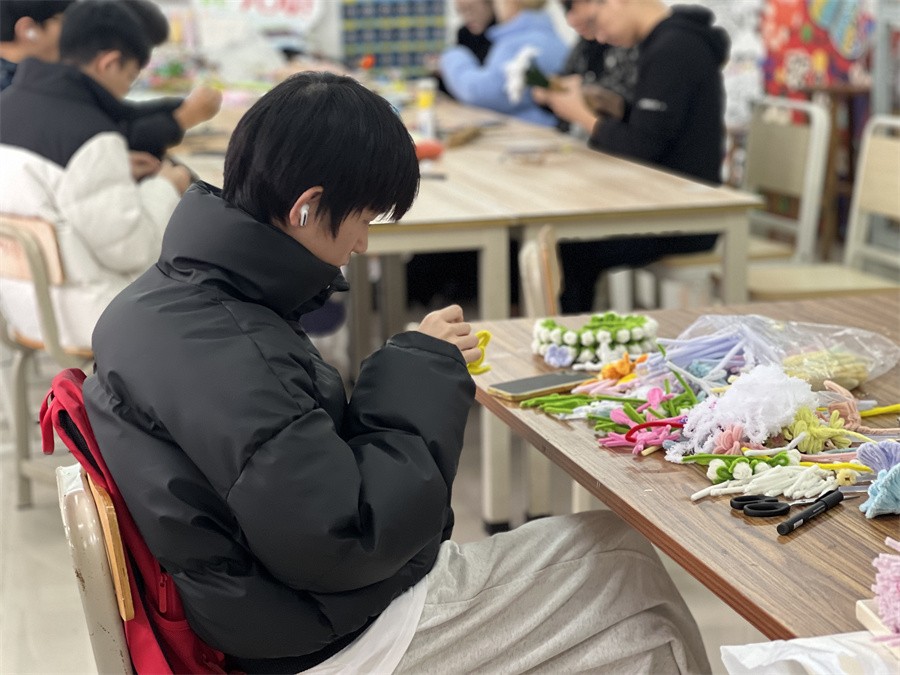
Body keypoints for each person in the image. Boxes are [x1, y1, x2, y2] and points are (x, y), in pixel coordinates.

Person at [82, 70, 710, 674]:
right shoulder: (234, 345)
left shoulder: (167, 300)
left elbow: (293, 474)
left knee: (611, 566)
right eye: (362, 219)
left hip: (267, 608)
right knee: (626, 573)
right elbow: (348, 537)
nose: (362, 244)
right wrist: (418, 369)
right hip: (317, 638)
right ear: (307, 208)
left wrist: (410, 360)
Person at [0, 0, 192, 351]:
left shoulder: (9, 105)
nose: (125, 90)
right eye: (129, 77)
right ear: (109, 62)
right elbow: (133, 250)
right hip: (93, 315)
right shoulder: (90, 136)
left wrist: (116, 168)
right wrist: (166, 184)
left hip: (21, 306)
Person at [535, 0, 730, 313]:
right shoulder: (664, 42)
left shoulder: (674, 48)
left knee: (569, 246)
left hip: (686, 218)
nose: (599, 37)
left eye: (596, 23)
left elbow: (642, 147)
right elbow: (656, 129)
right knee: (566, 239)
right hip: (661, 203)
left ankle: (573, 336)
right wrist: (610, 104)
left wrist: (581, 114)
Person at [0, 0, 221, 163]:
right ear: (28, 30)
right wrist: (181, 119)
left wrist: (181, 109)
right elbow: (104, 135)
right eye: (61, 20)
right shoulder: (30, 88)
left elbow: (115, 114)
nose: (69, 28)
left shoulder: (37, 81)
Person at [440, 0, 568, 126]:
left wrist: (452, 56)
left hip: (532, 132)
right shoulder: (548, 35)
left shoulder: (517, 42)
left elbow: (481, 93)